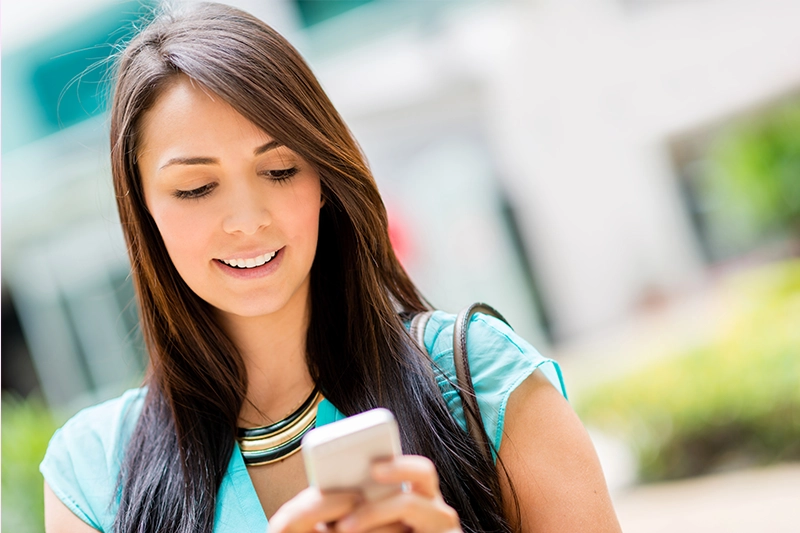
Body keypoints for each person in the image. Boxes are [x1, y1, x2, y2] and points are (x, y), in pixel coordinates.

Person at [40, 3, 622, 532]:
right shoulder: (92, 472)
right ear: (143, 209)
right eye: (196, 187)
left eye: (280, 171)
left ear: (324, 179)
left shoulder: (479, 379)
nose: (246, 220)